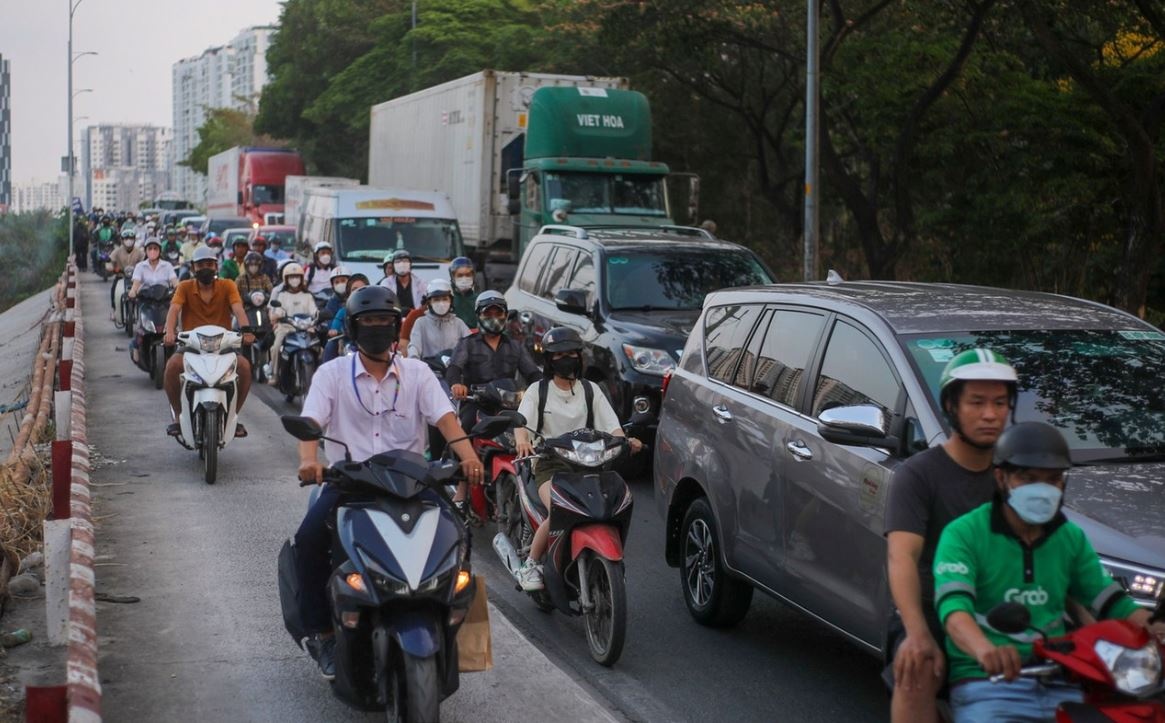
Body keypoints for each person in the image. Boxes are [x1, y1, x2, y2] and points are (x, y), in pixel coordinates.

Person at [294, 285, 486, 679]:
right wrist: (309, 461)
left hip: (413, 481)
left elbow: (445, 418)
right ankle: (323, 633)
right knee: (309, 541)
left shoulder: (417, 373)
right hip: (350, 483)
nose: (377, 329)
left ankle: (466, 638)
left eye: (385, 321)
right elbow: (311, 422)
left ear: (397, 325)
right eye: (368, 322)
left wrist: (467, 456)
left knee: (461, 539)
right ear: (352, 327)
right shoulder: (332, 374)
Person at [935, 422, 1153, 722]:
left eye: (1052, 479)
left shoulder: (1069, 537)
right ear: (1001, 478)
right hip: (988, 685)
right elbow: (954, 610)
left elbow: (1110, 601)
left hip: (1065, 680)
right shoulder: (964, 534)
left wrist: (1152, 627)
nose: (1043, 488)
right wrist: (985, 650)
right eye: (1028, 478)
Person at [882, 349, 1018, 723]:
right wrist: (916, 632)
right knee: (915, 669)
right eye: (977, 402)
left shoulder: (1021, 476)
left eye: (1000, 402)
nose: (990, 414)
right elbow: (902, 557)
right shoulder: (919, 474)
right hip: (930, 615)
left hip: (1007, 611)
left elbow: (1063, 554)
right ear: (951, 406)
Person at [512, 327, 642, 590]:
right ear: (549, 360)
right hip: (551, 465)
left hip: (591, 463)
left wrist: (626, 441)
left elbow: (612, 426)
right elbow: (522, 422)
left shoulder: (591, 390)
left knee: (618, 504)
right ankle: (531, 564)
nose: (566, 358)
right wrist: (522, 441)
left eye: (571, 353)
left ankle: (611, 562)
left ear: (580, 357)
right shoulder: (539, 391)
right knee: (558, 511)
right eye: (559, 355)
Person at [446, 290, 541, 514]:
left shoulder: (515, 346)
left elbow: (533, 373)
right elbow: (454, 368)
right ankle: (461, 489)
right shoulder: (468, 343)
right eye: (488, 313)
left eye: (499, 313)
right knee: (465, 432)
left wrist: (542, 388)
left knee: (536, 431)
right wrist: (456, 385)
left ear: (506, 316)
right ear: (479, 315)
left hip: (509, 405)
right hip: (476, 402)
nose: (494, 318)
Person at [163, 246, 255, 438]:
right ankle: (179, 417)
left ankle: (232, 416)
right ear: (193, 268)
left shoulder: (228, 285)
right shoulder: (185, 286)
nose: (206, 268)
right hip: (192, 344)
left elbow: (238, 309)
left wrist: (246, 331)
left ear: (216, 267)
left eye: (209, 264)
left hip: (223, 344)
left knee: (245, 368)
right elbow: (174, 310)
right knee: (172, 367)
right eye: (201, 265)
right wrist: (169, 332)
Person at [127, 237, 179, 363]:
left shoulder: (167, 266)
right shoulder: (140, 266)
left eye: (155, 248)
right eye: (150, 248)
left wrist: (179, 290)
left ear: (160, 251)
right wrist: (133, 292)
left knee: (175, 329)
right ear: (146, 250)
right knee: (142, 329)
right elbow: (136, 284)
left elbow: (175, 282)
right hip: (146, 303)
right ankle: (136, 346)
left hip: (165, 302)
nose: (152, 251)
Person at [265, 263, 318, 384]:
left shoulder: (307, 295)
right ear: (286, 279)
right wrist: (278, 316)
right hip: (286, 327)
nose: (295, 280)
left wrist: (318, 316)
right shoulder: (282, 295)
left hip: (305, 328)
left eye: (297, 277)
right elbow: (277, 312)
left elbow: (314, 311)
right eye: (291, 277)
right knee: (276, 347)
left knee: (319, 348)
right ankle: (274, 374)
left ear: (301, 278)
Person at [407, 278, 469, 360]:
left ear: (451, 300)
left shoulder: (458, 323)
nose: (441, 303)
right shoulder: (421, 323)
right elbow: (414, 346)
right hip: (429, 369)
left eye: (445, 299)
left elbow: (471, 345)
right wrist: (414, 359)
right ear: (429, 302)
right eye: (436, 300)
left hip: (455, 369)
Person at [321, 273, 369, 362]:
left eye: (362, 289)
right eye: (354, 289)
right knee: (330, 345)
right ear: (349, 293)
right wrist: (334, 330)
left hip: (369, 342)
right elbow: (337, 321)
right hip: (348, 342)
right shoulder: (344, 310)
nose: (358, 291)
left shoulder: (373, 309)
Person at [109, 229, 145, 317]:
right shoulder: (117, 251)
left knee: (144, 291)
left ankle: (143, 312)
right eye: (126, 238)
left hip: (135, 278)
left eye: (131, 238)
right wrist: (113, 268)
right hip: (121, 276)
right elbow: (110, 261)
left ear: (134, 239)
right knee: (114, 289)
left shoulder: (139, 252)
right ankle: (114, 309)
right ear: (122, 240)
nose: (128, 241)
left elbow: (144, 262)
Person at [449, 256, 478, 329]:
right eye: (460, 275)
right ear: (453, 277)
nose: (464, 279)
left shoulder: (479, 300)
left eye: (468, 275)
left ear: (473, 276)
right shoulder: (448, 300)